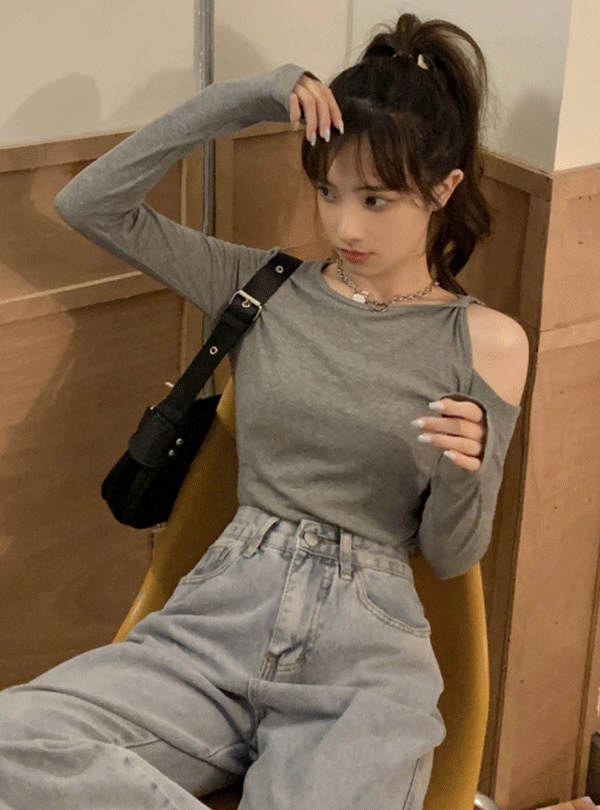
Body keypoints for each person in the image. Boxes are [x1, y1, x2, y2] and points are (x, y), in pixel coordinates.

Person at [0, 11, 528, 810]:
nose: (344, 225)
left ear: (443, 190)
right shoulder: (264, 287)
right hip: (217, 621)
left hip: (364, 657)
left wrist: (466, 470)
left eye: (376, 199)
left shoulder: (487, 342)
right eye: (328, 191)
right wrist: (248, 98)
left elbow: (452, 557)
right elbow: (90, 204)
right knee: (15, 741)